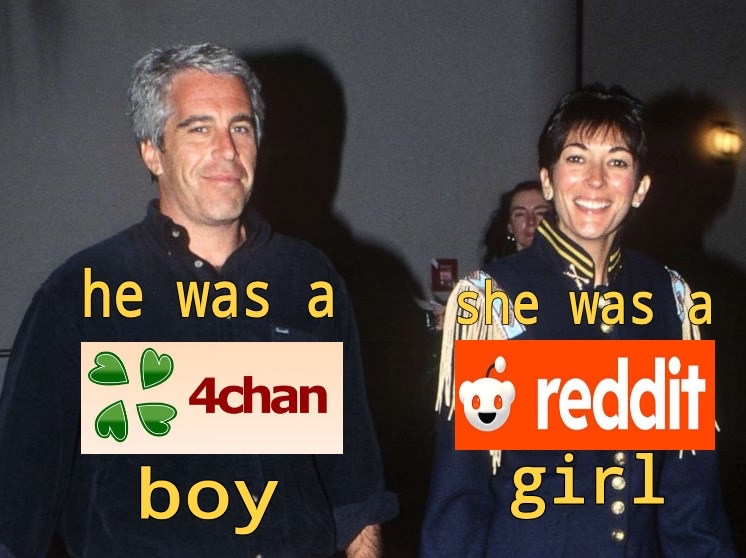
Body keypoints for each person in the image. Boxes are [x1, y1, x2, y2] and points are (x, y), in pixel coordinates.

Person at [0, 43, 396, 557]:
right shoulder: (80, 295)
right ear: (152, 150)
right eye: (199, 128)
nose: (227, 150)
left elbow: (355, 487)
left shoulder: (307, 281)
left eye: (241, 127)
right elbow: (17, 506)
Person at [421, 84, 736, 557]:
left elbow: (691, 504)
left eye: (617, 162)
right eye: (576, 158)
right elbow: (460, 504)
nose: (596, 180)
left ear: (640, 188)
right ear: (548, 182)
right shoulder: (493, 301)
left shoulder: (669, 300)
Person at [482, 180, 553, 265]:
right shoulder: (492, 273)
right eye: (520, 214)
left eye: (540, 213)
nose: (531, 221)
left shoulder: (567, 269)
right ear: (510, 226)